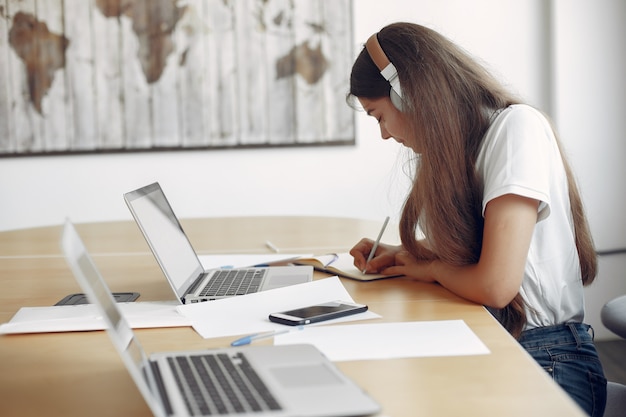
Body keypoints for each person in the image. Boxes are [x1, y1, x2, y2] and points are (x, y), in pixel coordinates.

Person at [348, 22, 607, 417]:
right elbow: (483, 251)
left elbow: (496, 285)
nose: (384, 134)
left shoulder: (516, 128)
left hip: (548, 356)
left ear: (408, 95)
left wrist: (431, 268)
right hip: (500, 341)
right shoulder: (460, 151)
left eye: (378, 116)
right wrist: (406, 254)